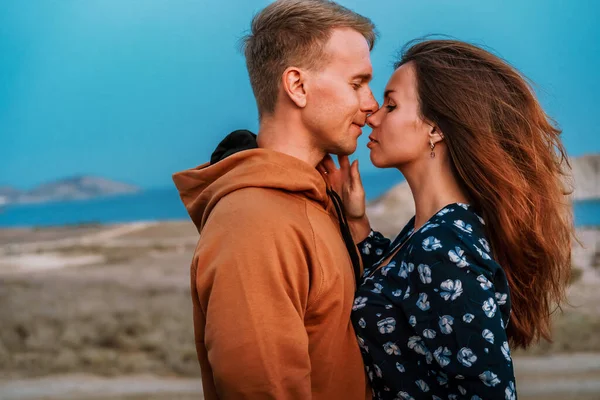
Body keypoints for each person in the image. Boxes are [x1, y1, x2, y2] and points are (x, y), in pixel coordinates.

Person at [321, 39, 573, 399]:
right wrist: (358, 222)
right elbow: (404, 299)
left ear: (435, 129)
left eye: (391, 105)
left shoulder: (444, 248)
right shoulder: (431, 233)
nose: (373, 113)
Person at [172, 1, 379, 398]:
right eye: (356, 84)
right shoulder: (255, 223)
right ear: (297, 86)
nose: (370, 105)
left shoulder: (310, 204)